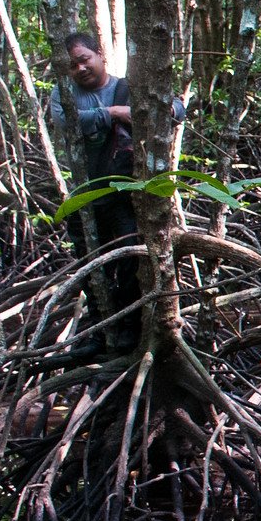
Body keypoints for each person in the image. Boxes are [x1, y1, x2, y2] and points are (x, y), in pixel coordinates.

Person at [46, 31, 182, 345]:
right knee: (90, 264)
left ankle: (129, 330)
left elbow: (173, 108)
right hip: (86, 194)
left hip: (123, 194)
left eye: (84, 59)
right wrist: (113, 113)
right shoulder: (63, 93)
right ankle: (99, 330)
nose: (80, 68)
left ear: (100, 55)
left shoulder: (125, 88)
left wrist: (163, 109)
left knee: (128, 260)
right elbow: (69, 121)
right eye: (72, 65)